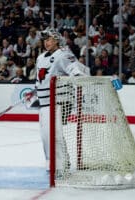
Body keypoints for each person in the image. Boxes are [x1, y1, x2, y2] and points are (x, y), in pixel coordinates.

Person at [25, 29, 90, 175]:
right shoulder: (40, 57)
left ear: (57, 40)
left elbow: (74, 69)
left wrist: (80, 76)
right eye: (45, 40)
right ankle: (54, 162)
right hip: (44, 103)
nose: (46, 42)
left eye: (49, 39)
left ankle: (60, 165)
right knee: (46, 136)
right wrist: (34, 92)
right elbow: (40, 80)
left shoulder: (63, 54)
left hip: (59, 100)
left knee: (53, 134)